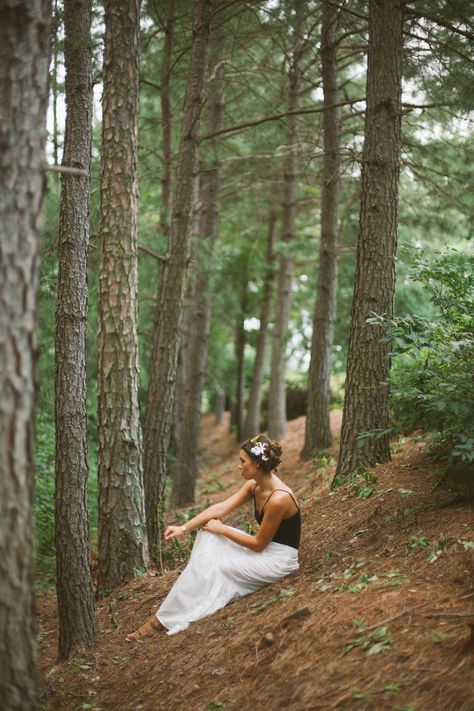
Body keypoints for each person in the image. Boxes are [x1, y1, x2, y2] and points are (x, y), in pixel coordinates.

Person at [126, 434, 301, 639]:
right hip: (265, 550)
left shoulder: (279, 498)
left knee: (218, 566)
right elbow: (220, 507)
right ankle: (178, 604)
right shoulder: (255, 485)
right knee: (208, 536)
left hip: (278, 560)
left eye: (242, 461)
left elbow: (258, 544)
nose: (239, 466)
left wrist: (223, 529)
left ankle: (160, 622)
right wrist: (183, 528)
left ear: (256, 465)